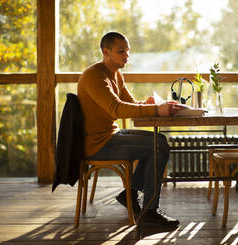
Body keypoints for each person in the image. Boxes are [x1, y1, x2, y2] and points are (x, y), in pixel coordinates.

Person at [77, 32, 184, 228]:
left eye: (127, 51)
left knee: (157, 140)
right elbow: (116, 108)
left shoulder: (116, 74)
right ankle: (149, 211)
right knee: (158, 145)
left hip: (110, 136)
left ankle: (130, 193)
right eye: (121, 51)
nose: (127, 56)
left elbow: (130, 104)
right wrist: (154, 110)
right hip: (98, 145)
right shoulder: (94, 75)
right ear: (105, 52)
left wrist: (149, 104)